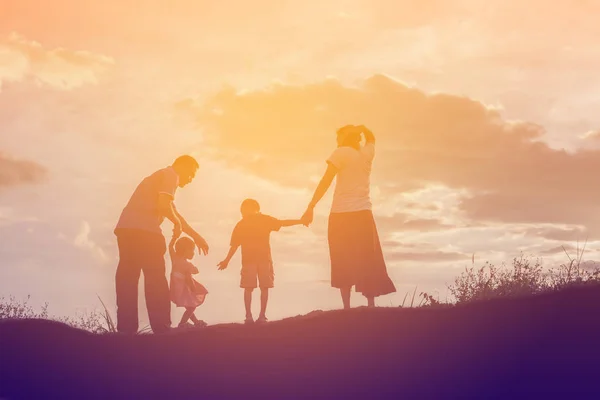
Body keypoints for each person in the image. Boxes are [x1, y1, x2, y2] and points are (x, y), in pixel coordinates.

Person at [301, 125, 396, 309]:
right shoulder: (367, 153)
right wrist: (364, 129)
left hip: (341, 214)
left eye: (338, 137)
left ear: (345, 138)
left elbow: (326, 180)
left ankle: (346, 307)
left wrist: (311, 206)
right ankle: (371, 305)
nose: (337, 141)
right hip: (363, 214)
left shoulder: (341, 152)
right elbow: (372, 138)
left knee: (341, 258)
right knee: (368, 258)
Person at [114, 155, 209, 334]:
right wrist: (176, 224)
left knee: (127, 278)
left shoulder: (157, 178)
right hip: (147, 233)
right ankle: (162, 327)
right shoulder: (170, 175)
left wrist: (195, 236)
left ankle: (126, 330)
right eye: (190, 175)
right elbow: (164, 206)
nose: (189, 181)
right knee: (156, 279)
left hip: (126, 229)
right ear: (182, 166)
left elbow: (173, 211)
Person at [217, 199, 304, 324]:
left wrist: (300, 221)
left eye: (243, 210)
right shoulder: (243, 224)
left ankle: (260, 315)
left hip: (260, 260)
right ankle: (250, 316)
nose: (242, 213)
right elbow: (234, 245)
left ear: (254, 208)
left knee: (260, 287)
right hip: (253, 260)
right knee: (252, 288)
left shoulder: (258, 220)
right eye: (241, 211)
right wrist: (226, 260)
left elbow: (282, 223)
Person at [169, 235, 209, 329]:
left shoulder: (174, 259)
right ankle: (182, 323)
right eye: (192, 250)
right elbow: (194, 272)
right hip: (184, 289)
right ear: (185, 250)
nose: (193, 253)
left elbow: (170, 247)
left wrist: (174, 237)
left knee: (189, 306)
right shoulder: (187, 265)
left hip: (176, 288)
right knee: (191, 306)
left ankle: (195, 322)